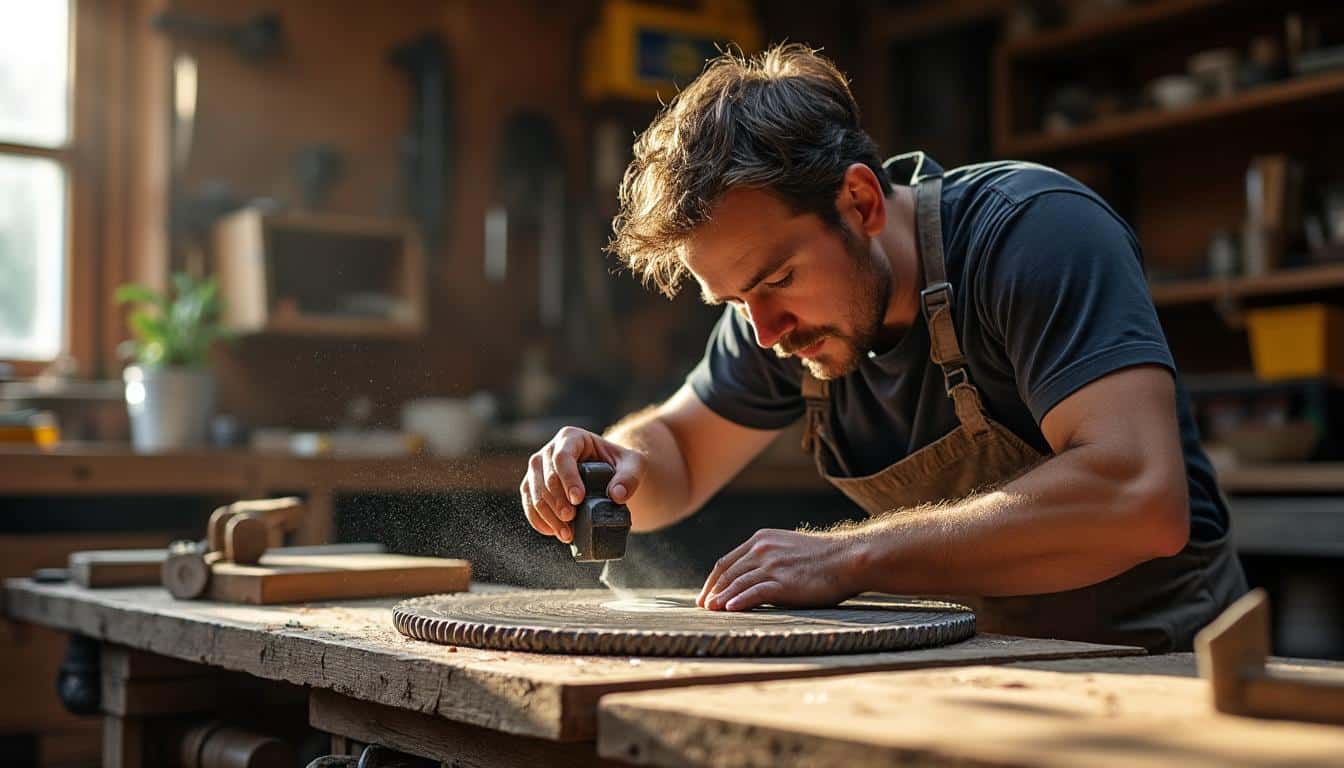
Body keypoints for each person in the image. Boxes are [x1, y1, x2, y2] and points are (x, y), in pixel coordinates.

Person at [518, 44, 1246, 651]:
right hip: (966, 669)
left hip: (1153, 660)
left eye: (776, 280)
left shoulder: (1032, 235)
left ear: (861, 202)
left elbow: (1139, 497)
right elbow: (677, 451)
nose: (765, 332)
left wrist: (849, 555)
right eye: (736, 301)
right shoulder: (777, 319)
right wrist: (615, 464)